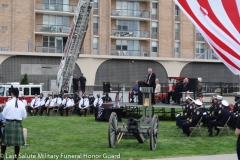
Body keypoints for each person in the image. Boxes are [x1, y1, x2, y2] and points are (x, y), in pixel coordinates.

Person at [1, 87, 27, 160]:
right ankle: (15, 158)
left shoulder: (8, 103)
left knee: (4, 143)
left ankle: (2, 157)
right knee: (17, 144)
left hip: (9, 123)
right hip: (17, 124)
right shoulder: (22, 104)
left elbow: (3, 114)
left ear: (11, 94)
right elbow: (24, 116)